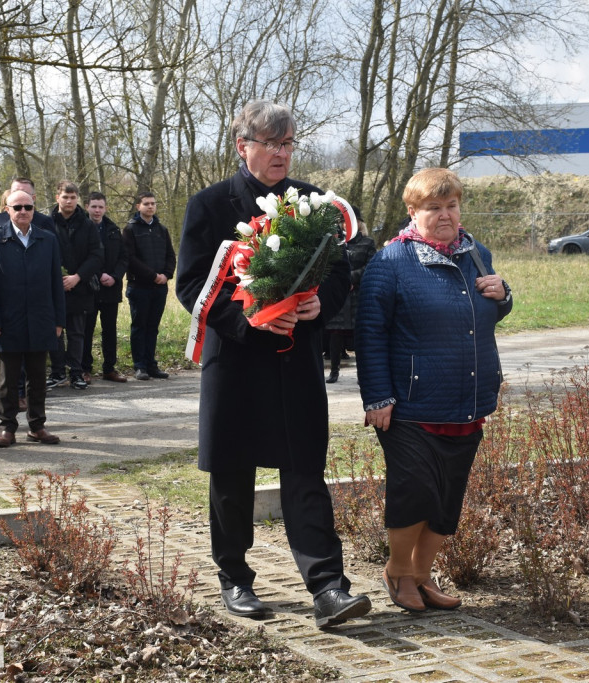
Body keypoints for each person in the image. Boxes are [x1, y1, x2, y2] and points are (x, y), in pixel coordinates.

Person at [176, 100, 371, 629]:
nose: (282, 154)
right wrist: (249, 321)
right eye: (271, 144)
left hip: (294, 360)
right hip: (236, 360)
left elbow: (336, 271)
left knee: (305, 470)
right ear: (244, 147)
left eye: (288, 144)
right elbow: (191, 285)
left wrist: (320, 304)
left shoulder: (313, 202)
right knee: (232, 474)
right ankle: (235, 578)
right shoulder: (211, 204)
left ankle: (328, 586)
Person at [355, 167, 512, 613]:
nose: (445, 215)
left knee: (446, 502)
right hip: (411, 407)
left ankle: (422, 577)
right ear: (413, 211)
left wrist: (504, 295)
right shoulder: (390, 263)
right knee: (415, 494)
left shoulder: (476, 253)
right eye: (433, 207)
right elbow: (369, 334)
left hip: (467, 401)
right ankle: (398, 573)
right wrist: (378, 397)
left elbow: (487, 310)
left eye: (451, 206)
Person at [0, 189, 66, 448]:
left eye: (28, 207)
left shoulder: (47, 239)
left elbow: (55, 283)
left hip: (41, 319)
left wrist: (59, 320)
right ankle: (8, 427)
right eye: (17, 207)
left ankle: (37, 426)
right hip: (8, 321)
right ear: (7, 209)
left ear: (34, 209)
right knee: (9, 379)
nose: (23, 212)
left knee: (38, 378)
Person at [47, 181, 103, 390]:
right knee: (55, 331)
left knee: (77, 332)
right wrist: (58, 278)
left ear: (77, 199)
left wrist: (77, 277)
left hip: (80, 286)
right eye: (65, 197)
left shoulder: (87, 224)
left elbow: (97, 255)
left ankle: (77, 372)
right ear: (57, 198)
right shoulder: (46, 222)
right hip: (53, 287)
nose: (69, 201)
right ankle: (57, 371)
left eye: (72, 198)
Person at [122, 192, 175, 380]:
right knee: (139, 326)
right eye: (146, 204)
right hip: (139, 286)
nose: (150, 207)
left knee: (153, 327)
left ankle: (152, 364)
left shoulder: (162, 229)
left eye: (153, 203)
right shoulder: (130, 229)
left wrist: (167, 275)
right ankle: (140, 366)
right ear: (138, 206)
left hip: (160, 287)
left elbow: (170, 255)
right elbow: (130, 258)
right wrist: (152, 276)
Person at [323, 206, 375, 383]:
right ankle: (334, 371)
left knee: (360, 336)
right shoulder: (335, 243)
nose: (346, 225)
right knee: (335, 335)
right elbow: (328, 267)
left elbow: (371, 266)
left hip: (359, 294)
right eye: (343, 222)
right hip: (339, 296)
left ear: (359, 223)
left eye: (351, 221)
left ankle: (362, 373)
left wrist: (351, 278)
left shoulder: (368, 243)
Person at [82, 192, 128, 383]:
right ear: (87, 207)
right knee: (86, 330)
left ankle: (109, 368)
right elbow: (81, 256)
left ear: (106, 208)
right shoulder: (81, 228)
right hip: (88, 287)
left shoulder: (113, 230)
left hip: (110, 288)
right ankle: (84, 369)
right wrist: (97, 273)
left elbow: (123, 257)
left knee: (109, 330)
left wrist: (115, 276)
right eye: (94, 206)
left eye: (101, 206)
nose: (97, 210)